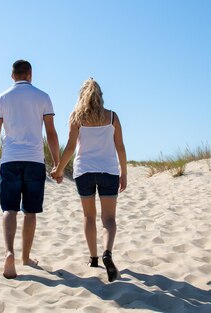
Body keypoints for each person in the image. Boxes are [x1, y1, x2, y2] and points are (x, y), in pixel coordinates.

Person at [52, 78, 127, 282]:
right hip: (109, 171)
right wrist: (124, 173)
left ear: (81, 95)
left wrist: (59, 170)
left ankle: (93, 259)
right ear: (100, 96)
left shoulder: (76, 117)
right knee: (109, 219)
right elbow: (120, 147)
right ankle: (107, 254)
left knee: (89, 216)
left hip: (84, 171)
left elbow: (69, 147)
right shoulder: (112, 117)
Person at [0, 60, 60, 279]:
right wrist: (57, 163)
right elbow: (51, 133)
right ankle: (26, 257)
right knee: (30, 211)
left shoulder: (3, 97)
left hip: (10, 159)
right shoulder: (43, 97)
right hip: (34, 160)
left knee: (9, 209)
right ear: (30, 75)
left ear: (13, 76)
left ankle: (9, 252)